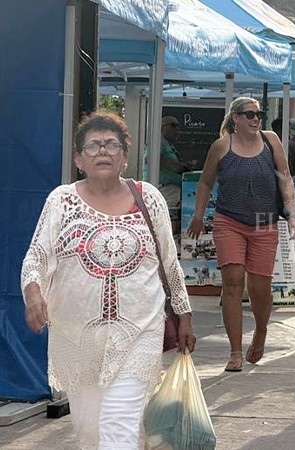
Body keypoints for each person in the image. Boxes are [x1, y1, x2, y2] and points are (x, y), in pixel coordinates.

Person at [21, 112, 196, 449]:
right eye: (93, 145)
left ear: (125, 157)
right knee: (90, 432)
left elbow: (170, 263)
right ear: (78, 158)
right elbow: (37, 256)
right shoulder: (62, 201)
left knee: (119, 425)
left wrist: (184, 314)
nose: (103, 150)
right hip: (77, 335)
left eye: (112, 144)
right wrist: (33, 293)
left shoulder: (149, 198)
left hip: (140, 330)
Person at [188, 97, 295, 372]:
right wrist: (199, 215)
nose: (255, 119)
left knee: (260, 287)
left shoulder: (271, 140)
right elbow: (205, 181)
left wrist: (293, 214)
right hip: (229, 221)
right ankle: (235, 351)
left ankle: (260, 331)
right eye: (249, 114)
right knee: (233, 279)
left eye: (258, 114)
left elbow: (285, 178)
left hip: (264, 222)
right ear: (235, 118)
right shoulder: (222, 146)